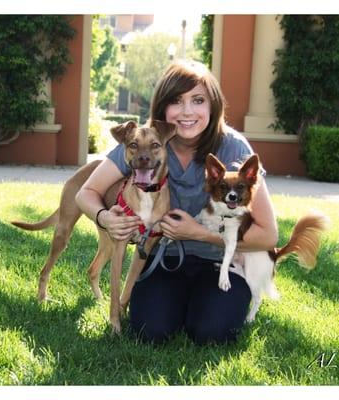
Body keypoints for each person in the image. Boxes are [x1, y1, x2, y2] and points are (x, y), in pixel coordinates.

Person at [75, 60, 278, 344]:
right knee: (151, 330)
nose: (186, 112)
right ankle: (176, 302)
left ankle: (205, 304)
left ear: (213, 106)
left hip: (219, 263)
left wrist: (200, 233)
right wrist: (105, 218)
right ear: (162, 108)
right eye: (176, 101)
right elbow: (85, 193)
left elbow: (269, 235)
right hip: (165, 259)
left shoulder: (232, 147)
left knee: (212, 332)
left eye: (198, 100)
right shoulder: (146, 141)